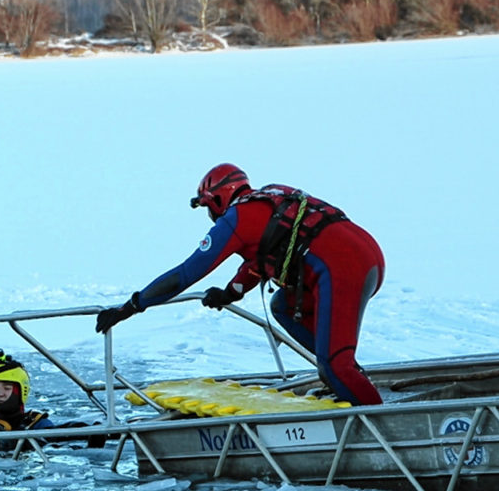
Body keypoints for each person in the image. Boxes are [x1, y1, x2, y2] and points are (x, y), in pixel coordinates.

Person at [95, 163, 385, 405]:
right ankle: (345, 376)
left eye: (208, 207)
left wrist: (132, 306)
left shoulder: (235, 218)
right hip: (365, 256)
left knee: (335, 365)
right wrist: (231, 292)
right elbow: (265, 255)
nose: (210, 216)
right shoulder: (268, 198)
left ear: (218, 200)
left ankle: (383, 426)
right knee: (282, 306)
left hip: (342, 268)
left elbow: (184, 275)